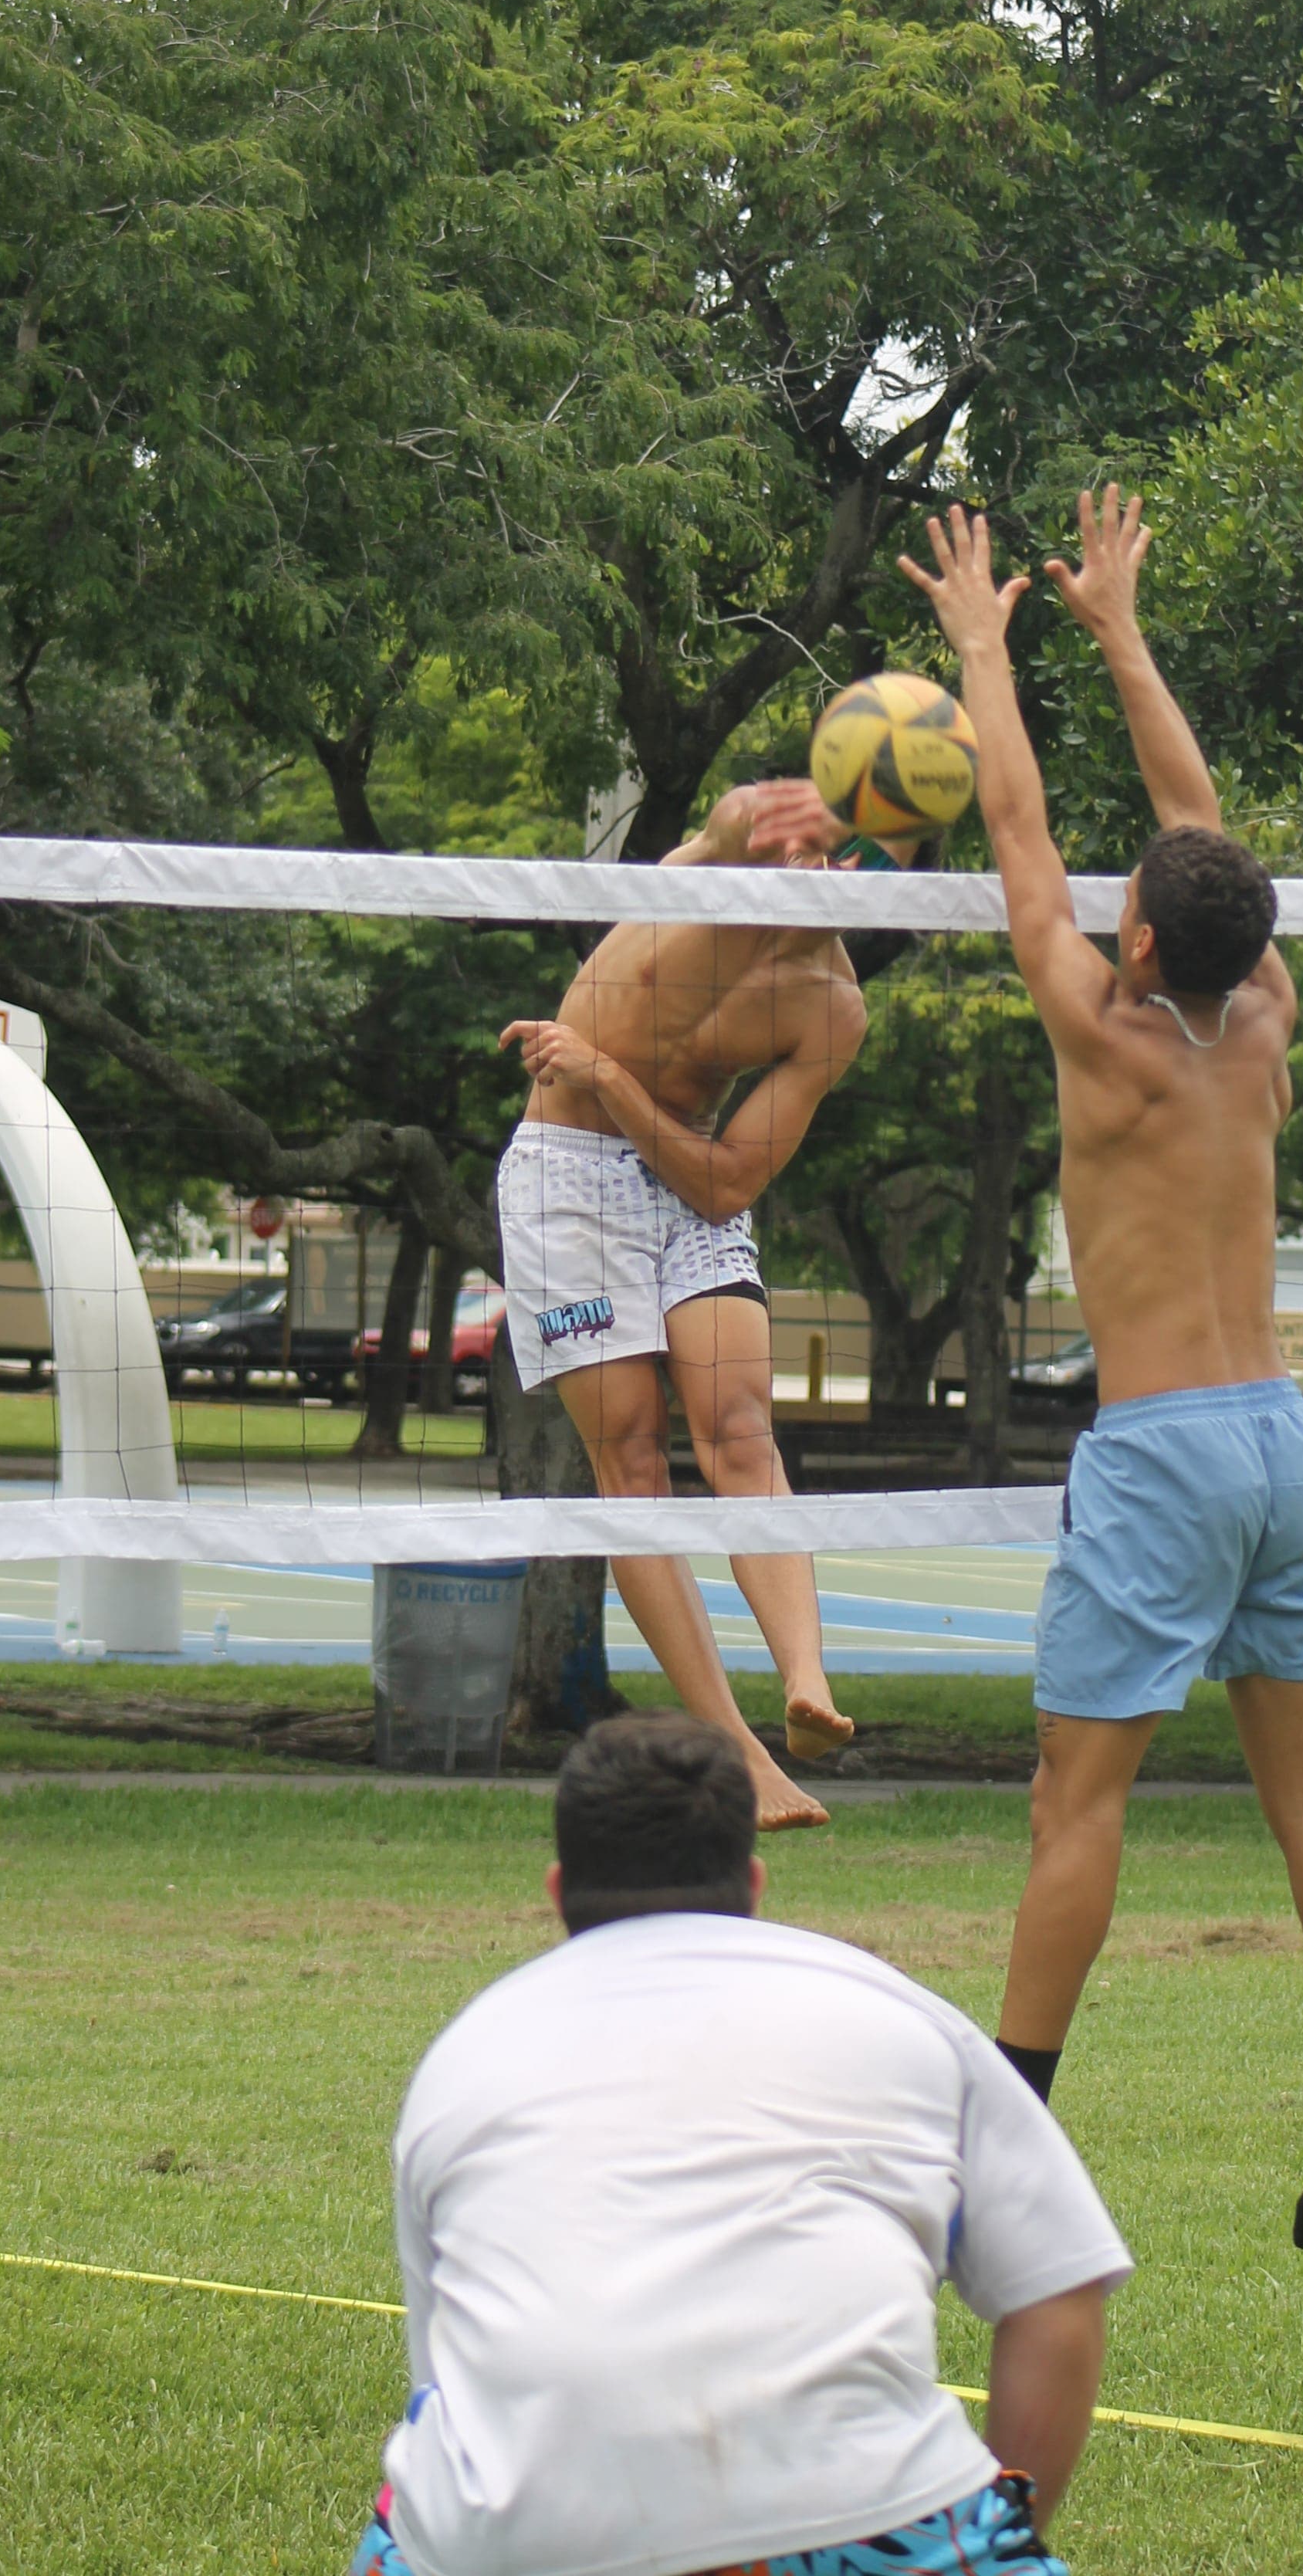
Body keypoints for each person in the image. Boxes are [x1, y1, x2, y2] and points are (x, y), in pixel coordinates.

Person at [900, 487, 1303, 2253]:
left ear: (1130, 946)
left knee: (1073, 1800)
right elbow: (1194, 829)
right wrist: (1117, 630)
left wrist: (981, 644)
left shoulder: (1096, 1025)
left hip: (1164, 1447)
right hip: (1275, 1439)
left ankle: (1005, 2136)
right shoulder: (1255, 1004)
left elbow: (1019, 823)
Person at [351, 1715, 1131, 2576]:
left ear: (557, 1889)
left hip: (502, 2543)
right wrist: (1005, 2530)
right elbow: (1058, 2294)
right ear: (754, 1884)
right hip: (873, 2513)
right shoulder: (898, 2013)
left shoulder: (466, 2054)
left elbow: (444, 2382)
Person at [499, 779, 914, 1831]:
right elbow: (729, 826)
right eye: (827, 852)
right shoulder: (722, 869)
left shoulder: (831, 1005)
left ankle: (807, 1683)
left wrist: (606, 1074)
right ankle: (739, 1752)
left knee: (738, 1424)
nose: (833, 875)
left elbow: (729, 1183)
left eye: (863, 873)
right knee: (631, 1465)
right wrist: (754, 820)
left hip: (686, 1175)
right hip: (567, 1177)